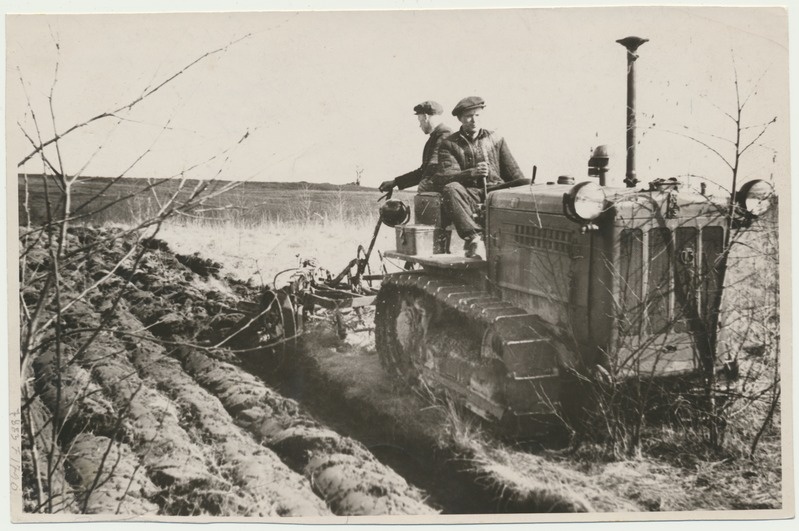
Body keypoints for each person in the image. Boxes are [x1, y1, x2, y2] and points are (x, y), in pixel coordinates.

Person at [435, 96, 525, 258]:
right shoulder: (449, 144)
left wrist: (525, 187)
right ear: (460, 118)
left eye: (477, 115)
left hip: (496, 192)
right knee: (450, 189)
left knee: (526, 183)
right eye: (469, 116)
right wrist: (472, 173)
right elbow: (446, 177)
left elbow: (513, 172)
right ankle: (474, 238)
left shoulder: (496, 139)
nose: (474, 120)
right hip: (470, 195)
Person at [379, 101, 452, 193]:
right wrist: (395, 182)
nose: (420, 125)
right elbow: (423, 171)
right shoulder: (436, 137)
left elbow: (432, 168)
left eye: (419, 120)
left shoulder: (444, 135)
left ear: (425, 117)